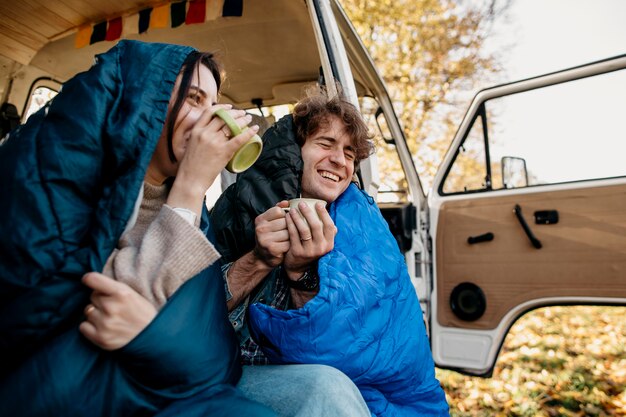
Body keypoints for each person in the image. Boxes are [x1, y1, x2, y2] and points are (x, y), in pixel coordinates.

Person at [0, 40, 273, 417]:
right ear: (144, 100)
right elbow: (87, 318)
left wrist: (158, 339)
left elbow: (214, 350)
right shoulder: (62, 175)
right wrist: (192, 185)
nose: (208, 121)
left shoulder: (192, 207)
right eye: (194, 99)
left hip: (169, 384)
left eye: (213, 107)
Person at [211, 86, 450, 416]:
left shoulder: (361, 220)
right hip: (232, 372)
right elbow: (192, 317)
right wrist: (259, 260)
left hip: (367, 386)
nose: (339, 160)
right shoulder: (236, 211)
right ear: (294, 151)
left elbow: (356, 340)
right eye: (325, 143)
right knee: (328, 388)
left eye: (350, 153)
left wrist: (301, 275)